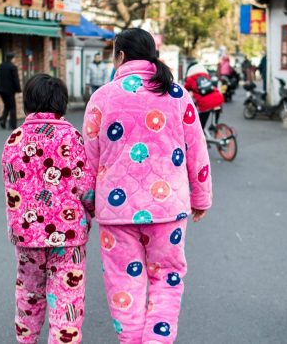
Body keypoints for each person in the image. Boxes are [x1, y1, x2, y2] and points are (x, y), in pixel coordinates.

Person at [82, 28, 212, 343]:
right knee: (167, 280)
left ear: (120, 56)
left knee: (124, 286)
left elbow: (88, 159)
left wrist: (89, 202)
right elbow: (197, 150)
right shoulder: (178, 95)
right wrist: (201, 198)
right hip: (168, 209)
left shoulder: (102, 97)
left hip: (116, 212)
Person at [1, 73, 95, 344]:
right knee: (67, 299)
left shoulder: (14, 139)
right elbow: (86, 186)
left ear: (27, 103)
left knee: (29, 294)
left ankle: (26, 340)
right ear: (62, 103)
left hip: (27, 236)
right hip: (68, 236)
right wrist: (91, 211)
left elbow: (11, 186)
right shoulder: (72, 137)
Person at [183, 61, 225, 129]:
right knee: (215, 107)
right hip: (219, 98)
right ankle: (215, 125)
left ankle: (202, 132)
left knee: (200, 125)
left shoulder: (190, 79)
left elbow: (184, 92)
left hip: (205, 104)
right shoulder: (206, 76)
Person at [0, 52, 21, 129]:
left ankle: (3, 120)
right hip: (9, 90)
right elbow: (15, 79)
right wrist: (18, 89)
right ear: (12, 58)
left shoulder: (0, 66)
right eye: (14, 58)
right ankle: (12, 125)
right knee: (12, 107)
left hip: (1, 90)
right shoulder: (13, 67)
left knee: (7, 105)